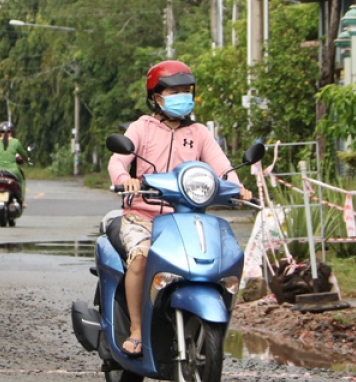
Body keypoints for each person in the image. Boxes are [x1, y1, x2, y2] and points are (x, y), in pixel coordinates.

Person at [107, 61, 251, 357]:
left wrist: (238, 187)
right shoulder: (142, 128)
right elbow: (117, 160)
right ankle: (136, 329)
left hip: (185, 218)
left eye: (186, 91)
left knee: (218, 260)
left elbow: (222, 167)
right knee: (140, 259)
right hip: (143, 215)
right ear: (156, 96)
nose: (182, 96)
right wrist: (126, 179)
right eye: (174, 91)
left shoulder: (199, 133)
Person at [0, 121, 27, 204]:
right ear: (11, 132)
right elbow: (24, 154)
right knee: (22, 181)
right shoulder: (16, 142)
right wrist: (27, 159)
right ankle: (22, 200)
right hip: (13, 170)